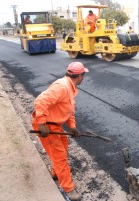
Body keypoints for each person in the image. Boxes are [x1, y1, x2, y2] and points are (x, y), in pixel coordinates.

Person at [31, 62, 89, 201]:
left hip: (55, 125)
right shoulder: (62, 86)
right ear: (80, 76)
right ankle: (68, 189)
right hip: (47, 126)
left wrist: (73, 127)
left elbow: (69, 110)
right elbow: (41, 101)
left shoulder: (71, 87)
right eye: (83, 75)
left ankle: (56, 173)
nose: (83, 78)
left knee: (63, 146)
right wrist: (41, 124)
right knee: (60, 156)